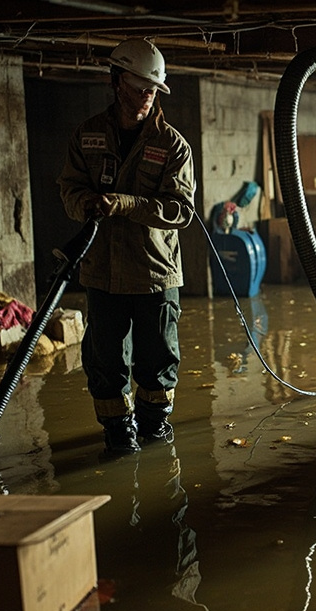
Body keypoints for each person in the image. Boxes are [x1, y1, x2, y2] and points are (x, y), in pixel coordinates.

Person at [59, 38, 196, 452]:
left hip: (154, 273)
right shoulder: (87, 136)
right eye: (138, 88)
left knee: (157, 363)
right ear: (116, 81)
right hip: (101, 271)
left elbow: (181, 210)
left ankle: (155, 432)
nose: (144, 97)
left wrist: (127, 204)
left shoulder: (172, 145)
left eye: (151, 90)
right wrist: (86, 202)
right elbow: (69, 190)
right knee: (105, 362)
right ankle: (117, 436)